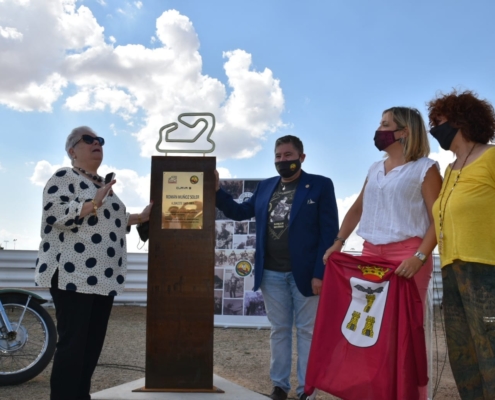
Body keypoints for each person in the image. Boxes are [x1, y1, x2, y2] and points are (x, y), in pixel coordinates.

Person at [215, 135, 339, 400]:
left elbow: (329, 233)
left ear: (301, 157)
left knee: (307, 331)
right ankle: (279, 386)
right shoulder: (266, 186)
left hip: (306, 274)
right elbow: (239, 212)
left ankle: (307, 389)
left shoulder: (320, 185)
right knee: (279, 330)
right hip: (271, 273)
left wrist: (321, 273)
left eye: (288, 156)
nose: (283, 161)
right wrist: (217, 192)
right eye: (278, 156)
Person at [34, 126, 153, 400]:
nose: (96, 143)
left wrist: (140, 217)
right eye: (88, 139)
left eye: (99, 140)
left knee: (90, 348)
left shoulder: (102, 184)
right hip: (72, 275)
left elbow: (113, 222)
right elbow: (54, 213)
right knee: (73, 346)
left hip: (103, 278)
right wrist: (92, 203)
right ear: (72, 151)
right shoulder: (65, 176)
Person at [324, 107, 442, 307]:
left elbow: (438, 218)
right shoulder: (374, 168)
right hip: (369, 253)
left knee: (407, 322)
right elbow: (357, 209)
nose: (378, 130)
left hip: (408, 255)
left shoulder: (425, 168)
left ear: (404, 132)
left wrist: (419, 257)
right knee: (370, 323)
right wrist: (338, 242)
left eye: (385, 125)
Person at [427, 90, 495, 399]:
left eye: (438, 120)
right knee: (463, 355)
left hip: (487, 271)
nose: (433, 128)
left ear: (459, 120)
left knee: (491, 350)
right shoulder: (450, 170)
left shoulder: (491, 156)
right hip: (452, 271)